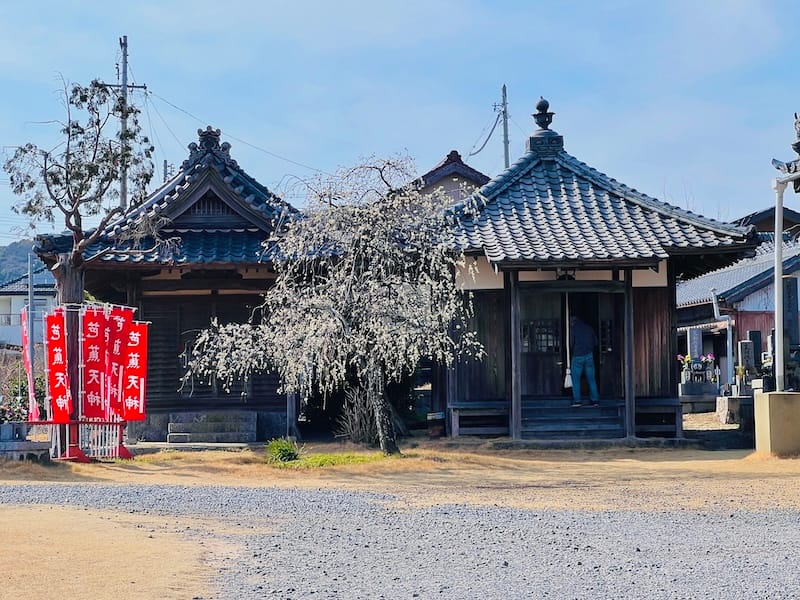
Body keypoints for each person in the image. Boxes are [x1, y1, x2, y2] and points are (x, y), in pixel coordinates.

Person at [569, 315, 600, 407]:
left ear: (573, 322)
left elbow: (571, 344)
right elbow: (596, 342)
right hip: (589, 356)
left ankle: (577, 401)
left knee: (576, 380)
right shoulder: (589, 328)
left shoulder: (573, 330)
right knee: (591, 379)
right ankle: (595, 400)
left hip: (577, 356)